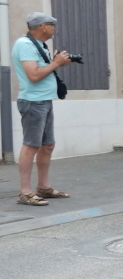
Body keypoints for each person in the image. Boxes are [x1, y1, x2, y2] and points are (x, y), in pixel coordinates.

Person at [12, 12, 71, 206]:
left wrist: (54, 63)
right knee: (31, 145)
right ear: (43, 27)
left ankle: (43, 187)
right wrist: (56, 63)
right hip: (33, 102)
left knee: (47, 146)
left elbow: (43, 71)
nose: (54, 29)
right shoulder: (25, 45)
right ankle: (25, 192)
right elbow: (34, 75)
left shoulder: (39, 45)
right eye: (52, 25)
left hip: (44, 100)